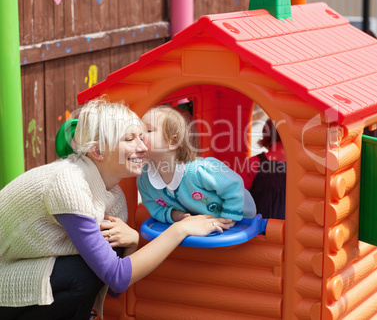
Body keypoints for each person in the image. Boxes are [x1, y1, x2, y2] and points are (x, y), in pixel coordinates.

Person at [0, 97, 232, 320]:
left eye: (142, 137)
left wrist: (131, 242)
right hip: (7, 274)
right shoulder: (67, 182)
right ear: (98, 152)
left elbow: (111, 287)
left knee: (99, 263)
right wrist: (181, 229)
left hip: (31, 265)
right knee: (81, 274)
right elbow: (116, 277)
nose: (143, 147)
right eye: (130, 139)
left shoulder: (114, 197)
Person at [137, 105, 256, 224]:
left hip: (241, 218)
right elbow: (153, 205)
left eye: (148, 130)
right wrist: (175, 215)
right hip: (202, 228)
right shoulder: (144, 178)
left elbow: (234, 186)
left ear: (173, 142)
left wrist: (228, 219)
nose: (140, 135)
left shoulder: (199, 170)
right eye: (139, 130)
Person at [239, 118, 286, 220]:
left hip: (259, 228)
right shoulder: (301, 166)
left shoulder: (254, 163)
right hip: (291, 229)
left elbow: (239, 195)